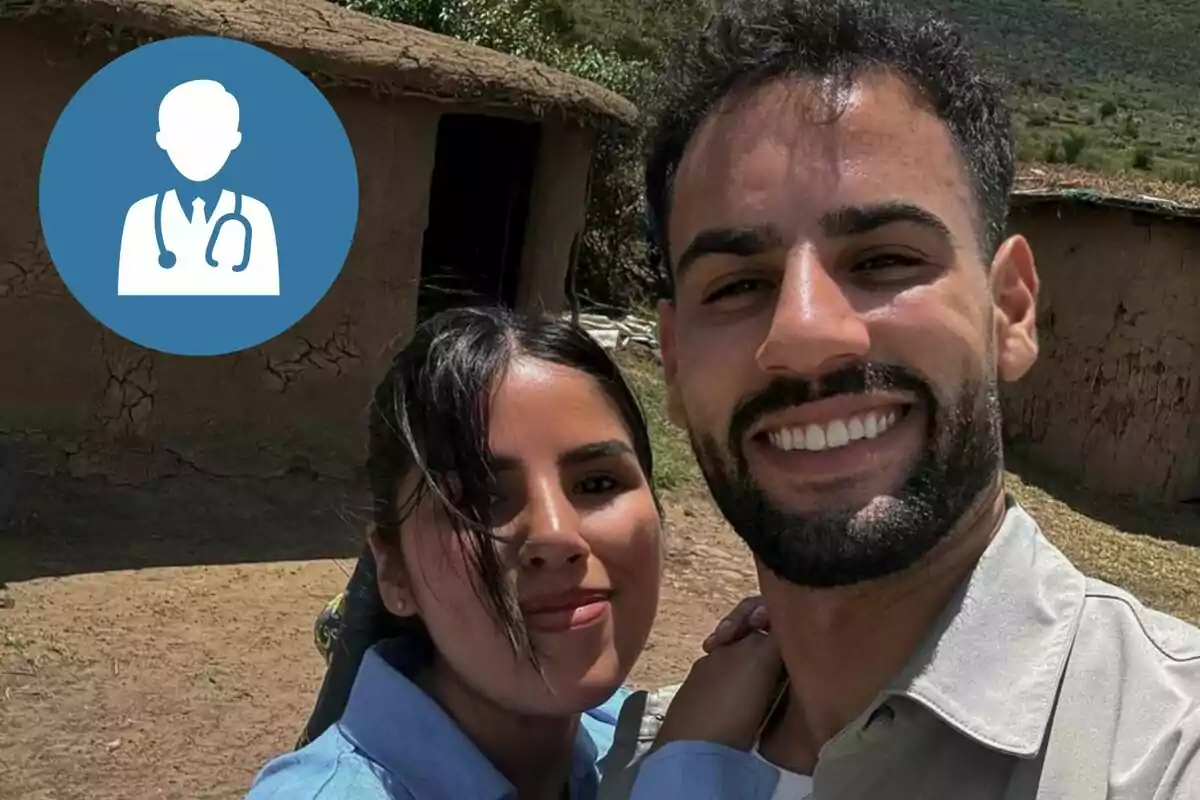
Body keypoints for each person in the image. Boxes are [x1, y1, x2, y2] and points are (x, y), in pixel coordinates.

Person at [615, 0, 1200, 797]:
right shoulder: (640, 755)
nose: (805, 332)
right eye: (739, 284)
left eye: (885, 260)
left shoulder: (1162, 750)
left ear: (1011, 311)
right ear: (675, 360)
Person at [245, 307, 764, 799]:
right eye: (478, 499)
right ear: (394, 573)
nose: (558, 535)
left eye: (598, 482)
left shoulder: (622, 741)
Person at [118, 79, 279, 296]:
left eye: (212, 135)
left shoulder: (256, 215)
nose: (198, 147)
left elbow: (267, 293)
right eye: (184, 135)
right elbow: (129, 293)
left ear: (235, 140)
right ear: (161, 139)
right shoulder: (141, 214)